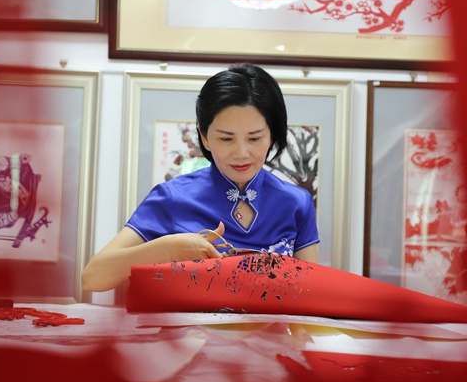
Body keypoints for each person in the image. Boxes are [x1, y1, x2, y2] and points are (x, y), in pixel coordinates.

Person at [82, 63, 320, 292]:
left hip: (272, 334)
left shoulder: (296, 203)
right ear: (204, 137)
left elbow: (311, 292)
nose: (242, 153)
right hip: (189, 334)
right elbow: (93, 278)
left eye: (255, 138)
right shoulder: (172, 198)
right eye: (226, 139)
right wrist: (167, 248)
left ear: (272, 136)